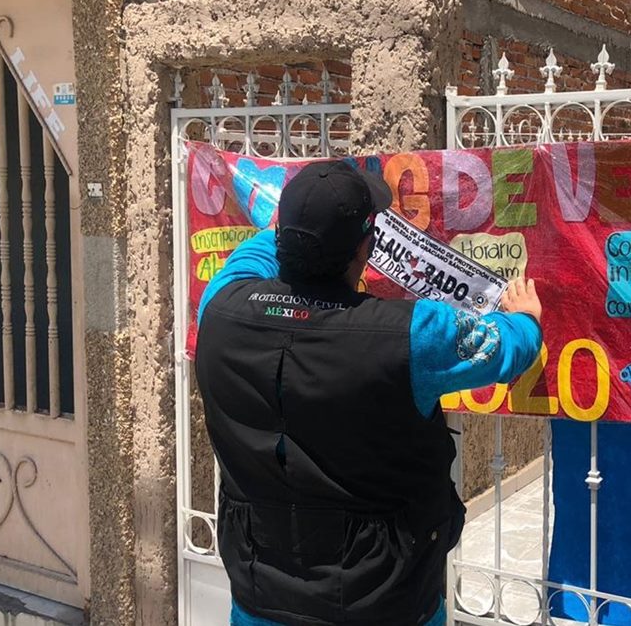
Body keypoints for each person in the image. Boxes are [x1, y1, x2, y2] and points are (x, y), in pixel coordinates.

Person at [194, 160, 543, 626]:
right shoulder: (409, 335)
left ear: (284, 240)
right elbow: (503, 350)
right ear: (367, 246)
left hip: (260, 593)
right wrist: (525, 319)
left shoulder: (221, 309)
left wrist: (293, 227)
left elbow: (250, 261)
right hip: (383, 600)